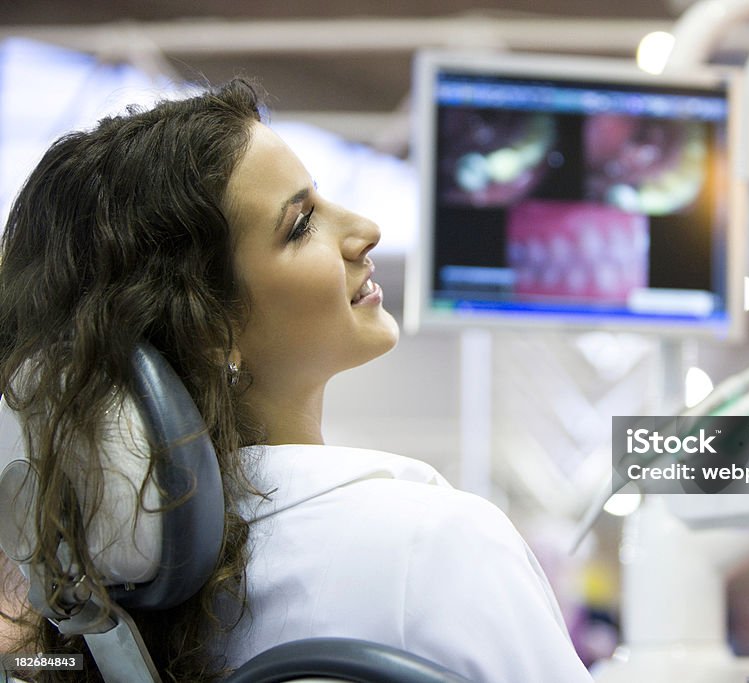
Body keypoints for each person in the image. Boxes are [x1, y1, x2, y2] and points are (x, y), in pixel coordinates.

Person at [0, 79, 592, 682]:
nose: (365, 229)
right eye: (301, 223)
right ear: (210, 328)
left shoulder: (107, 604)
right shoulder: (433, 545)